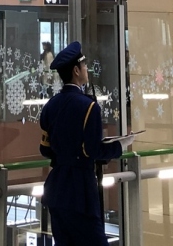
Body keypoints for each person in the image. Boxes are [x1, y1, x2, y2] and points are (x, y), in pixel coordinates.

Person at [38, 41, 127, 246]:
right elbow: (92, 150)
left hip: (56, 190)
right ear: (76, 71)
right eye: (84, 65)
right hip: (80, 192)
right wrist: (120, 146)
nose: (87, 69)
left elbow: (45, 148)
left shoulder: (50, 106)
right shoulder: (89, 107)